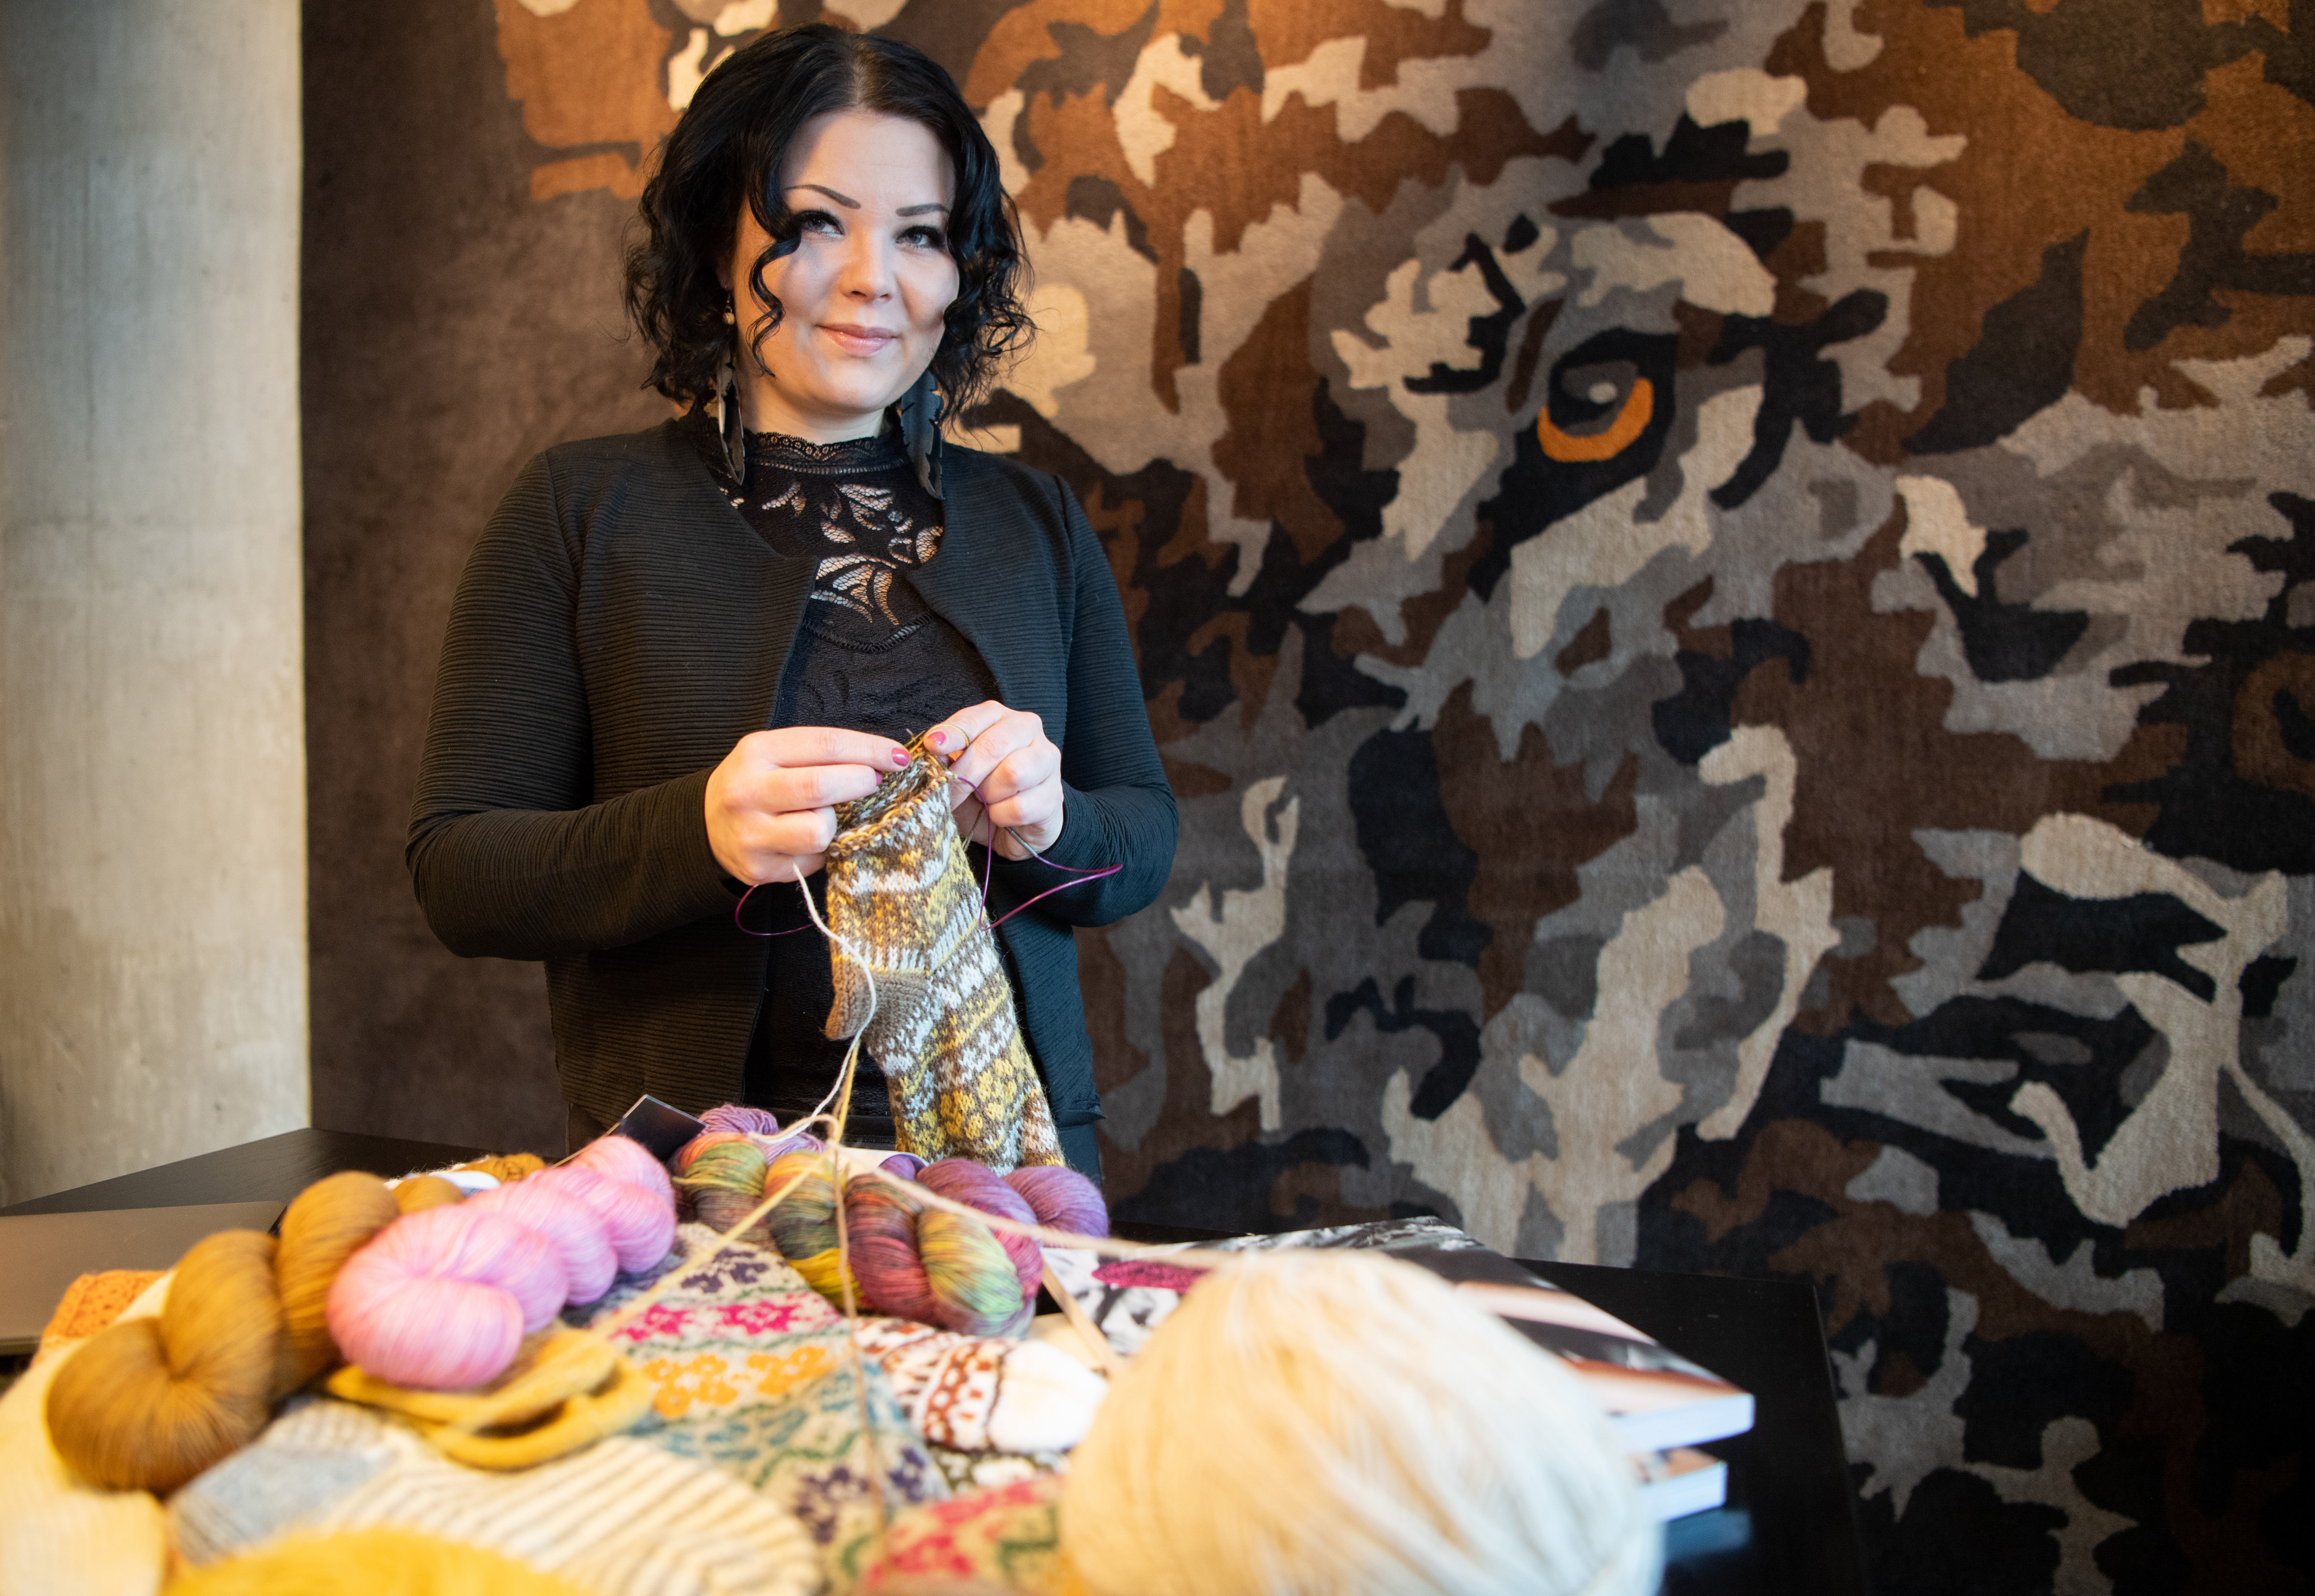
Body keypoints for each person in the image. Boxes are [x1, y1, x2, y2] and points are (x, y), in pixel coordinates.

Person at [407, 25, 1175, 1178]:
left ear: (958, 272)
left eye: (920, 234)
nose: (874, 277)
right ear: (719, 245)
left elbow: (1143, 844)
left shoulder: (1039, 522)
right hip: (695, 1191)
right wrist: (700, 832)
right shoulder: (579, 509)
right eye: (818, 222)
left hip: (1013, 1189)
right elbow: (460, 874)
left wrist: (1052, 823)